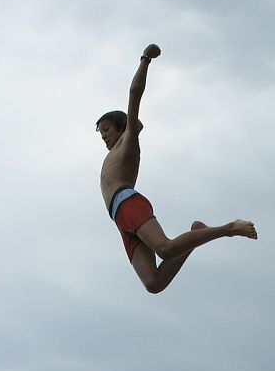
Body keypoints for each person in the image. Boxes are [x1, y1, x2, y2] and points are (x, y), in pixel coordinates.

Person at [97, 44, 257, 293]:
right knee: (154, 283)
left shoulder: (127, 142)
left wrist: (145, 60)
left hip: (127, 202)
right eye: (101, 132)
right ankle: (197, 233)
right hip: (119, 217)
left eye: (107, 129)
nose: (104, 136)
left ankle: (229, 228)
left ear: (121, 128)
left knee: (166, 248)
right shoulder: (115, 151)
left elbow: (134, 95)